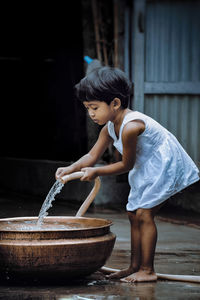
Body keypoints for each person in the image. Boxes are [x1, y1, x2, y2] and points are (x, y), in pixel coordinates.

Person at [55, 66, 199, 283]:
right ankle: (134, 266)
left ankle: (147, 270)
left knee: (144, 214)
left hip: (164, 164)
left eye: (94, 107)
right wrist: (70, 168)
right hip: (146, 166)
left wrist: (97, 172)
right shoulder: (110, 127)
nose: (91, 113)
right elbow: (92, 155)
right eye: (87, 108)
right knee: (133, 213)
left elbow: (126, 164)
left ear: (115, 103)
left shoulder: (131, 126)